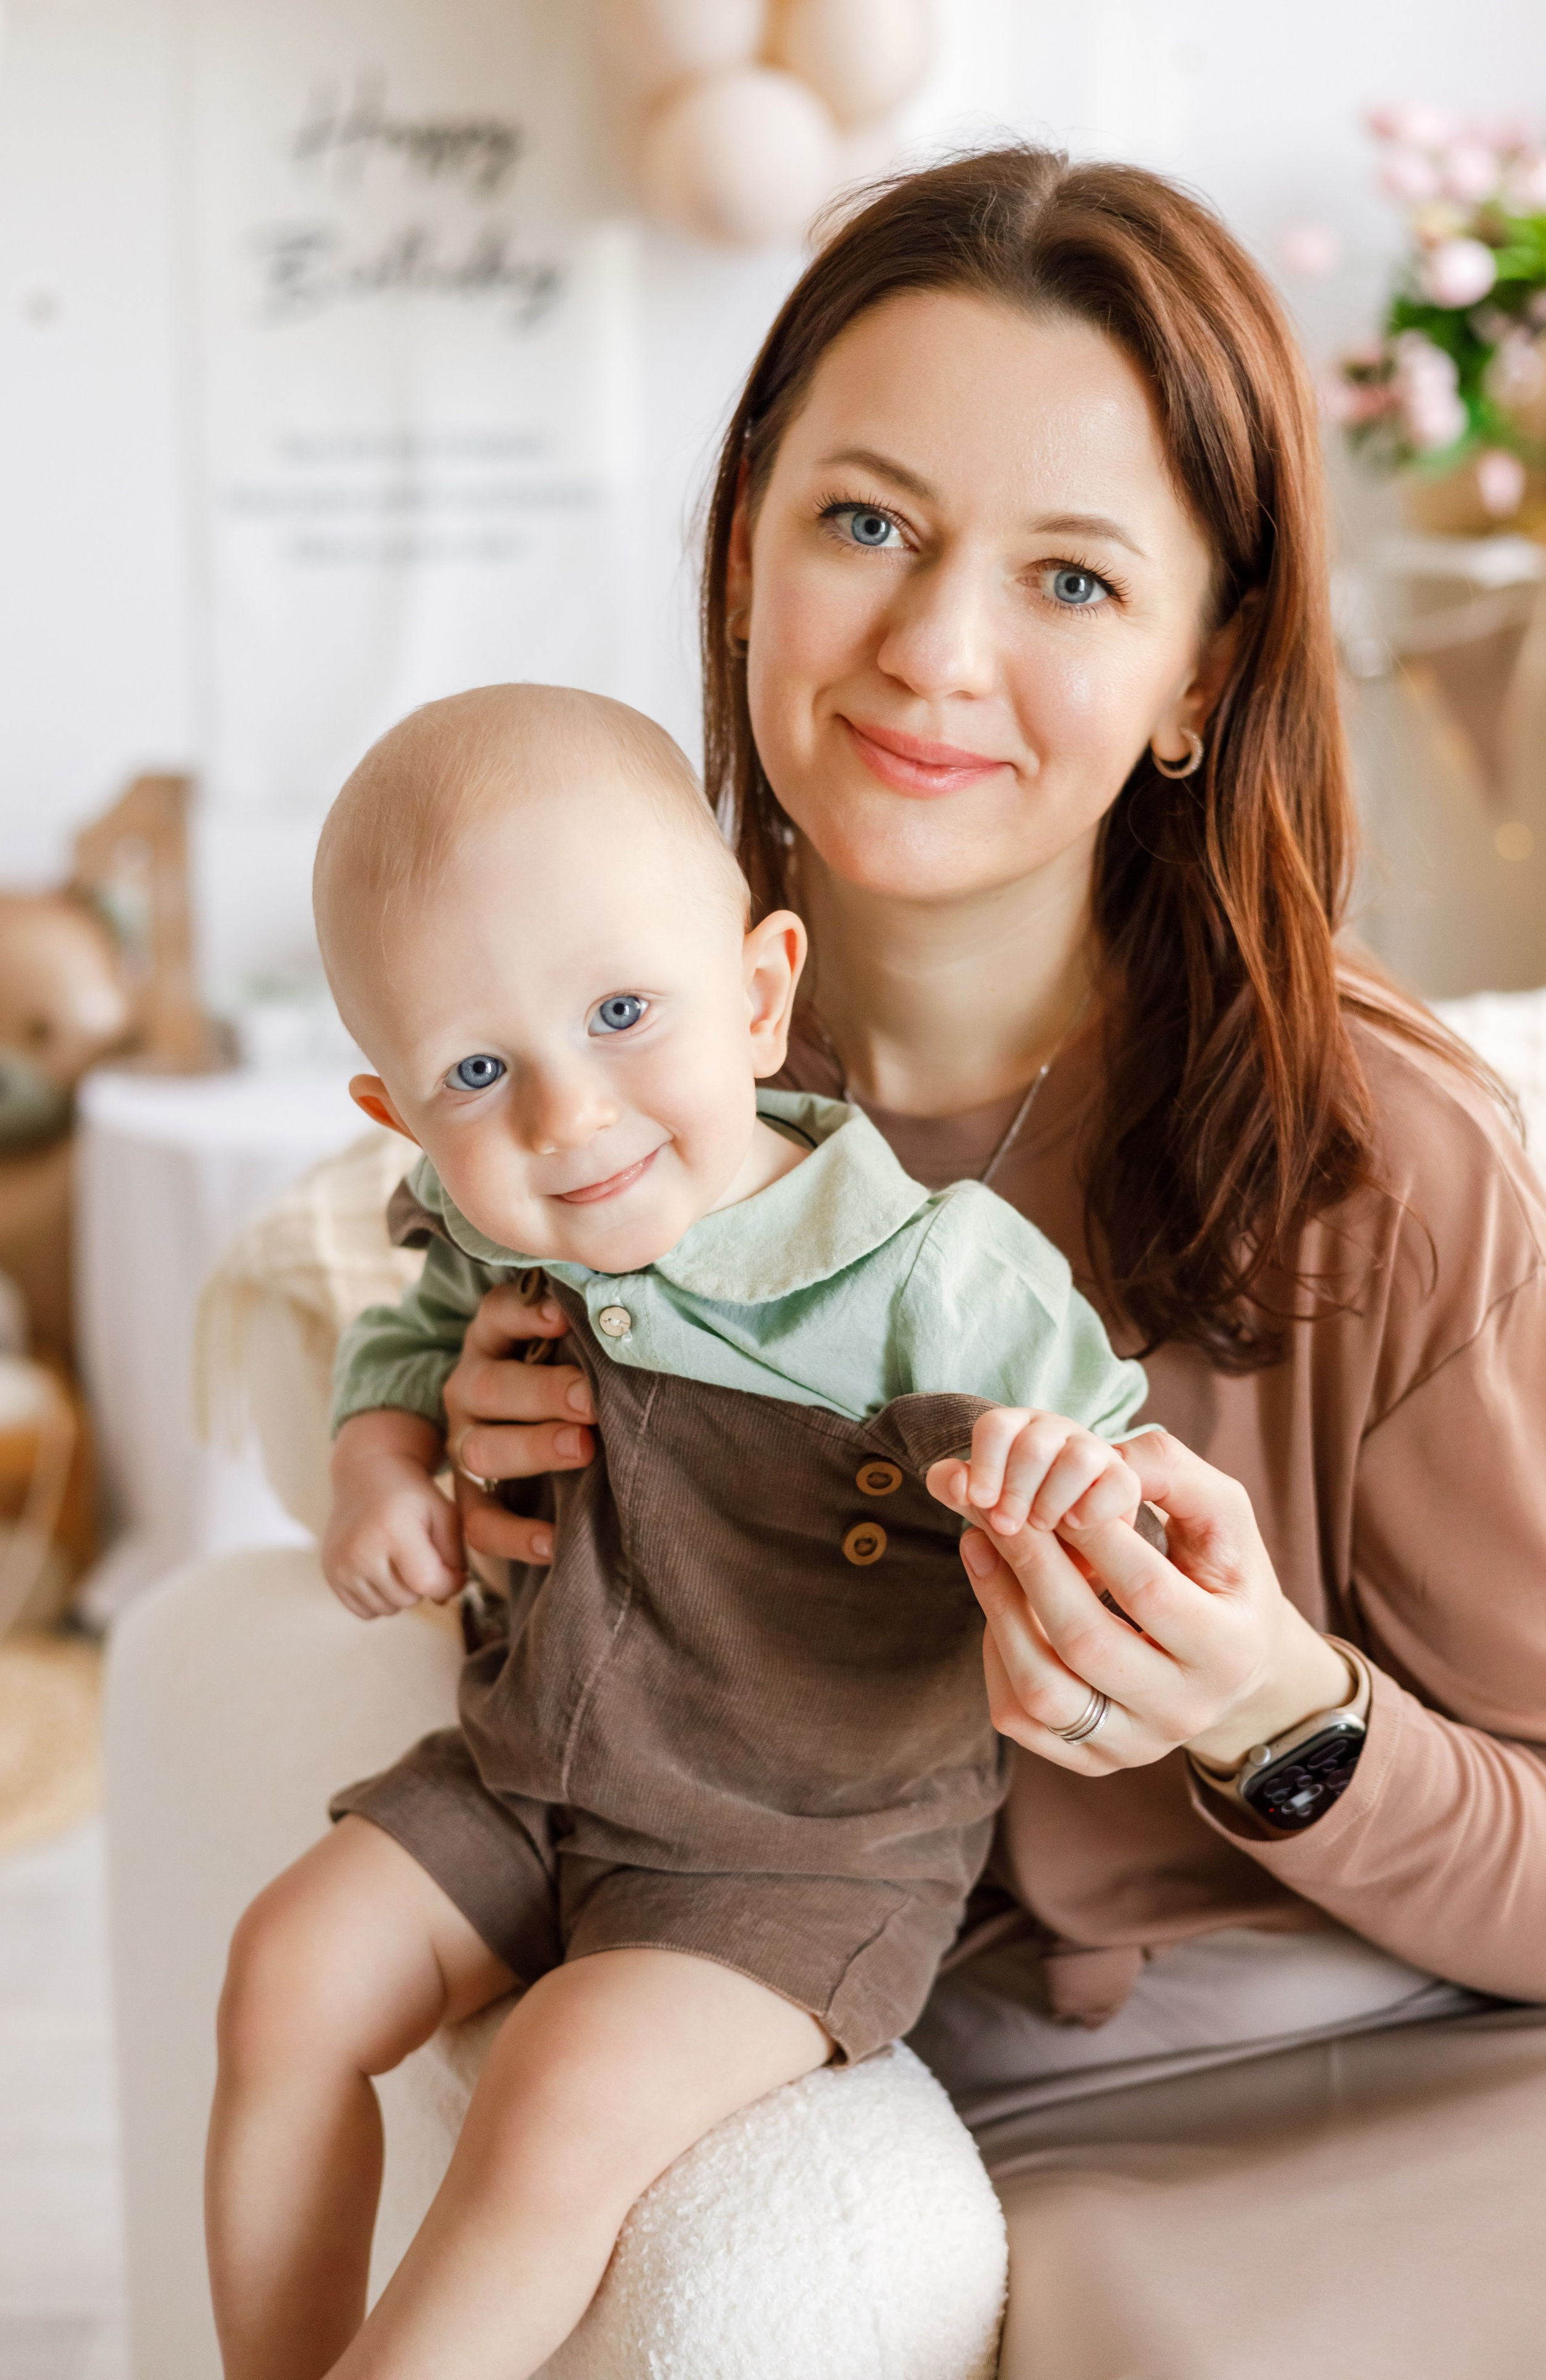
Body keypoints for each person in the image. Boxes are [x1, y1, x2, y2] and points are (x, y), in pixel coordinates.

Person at [436, 149, 1546, 2363]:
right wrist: (439, 1463)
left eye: (1071, 577)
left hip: (1445, 2045)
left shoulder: (1385, 1161)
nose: (937, 652)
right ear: (743, 544)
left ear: (1200, 673)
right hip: (1023, 2110)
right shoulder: (579, 1120)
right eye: (867, 524)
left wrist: (1274, 1709)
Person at [204, 681, 1156, 2380]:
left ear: (761, 995)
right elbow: (409, 1331)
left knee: (563, 2088)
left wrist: (1059, 1508)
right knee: (286, 1969)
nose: (568, 1115)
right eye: (478, 1071)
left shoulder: (929, 1276)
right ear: (402, 1119)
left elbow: (1114, 1467)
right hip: (529, 1781)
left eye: (625, 1013)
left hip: (794, 1858)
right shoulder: (514, 1220)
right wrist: (378, 1461)